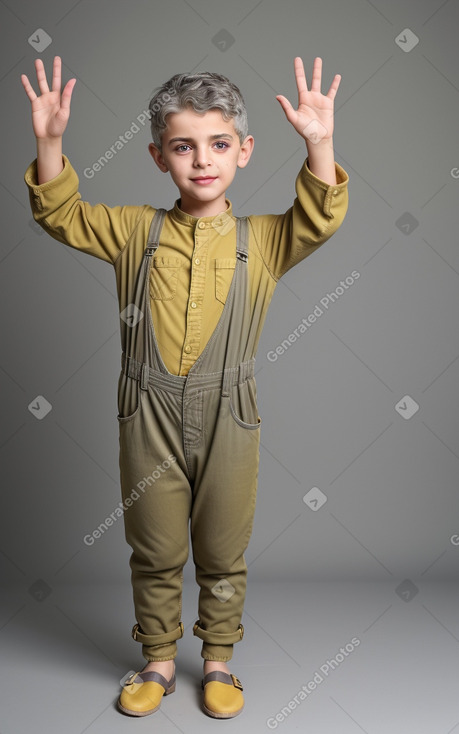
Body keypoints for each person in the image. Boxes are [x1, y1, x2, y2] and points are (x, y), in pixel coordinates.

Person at [21, 55, 349, 718]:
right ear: (157, 156)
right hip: (146, 411)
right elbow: (61, 215)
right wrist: (50, 143)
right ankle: (159, 660)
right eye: (183, 146)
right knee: (155, 543)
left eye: (219, 144)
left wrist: (319, 142)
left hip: (231, 414)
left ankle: (219, 663)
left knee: (223, 549)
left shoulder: (266, 240)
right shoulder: (133, 232)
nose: (202, 160)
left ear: (245, 151)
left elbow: (318, 216)